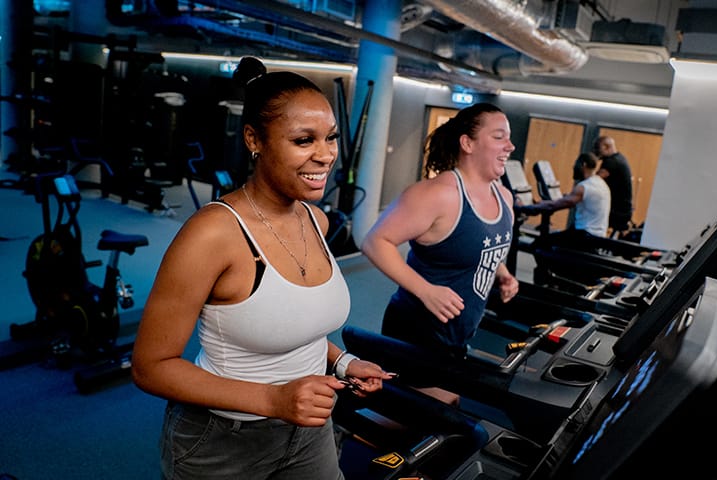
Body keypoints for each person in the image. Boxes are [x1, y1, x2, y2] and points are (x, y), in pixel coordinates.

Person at [131, 56, 392, 480]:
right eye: (304, 140)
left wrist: (342, 362)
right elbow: (150, 366)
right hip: (223, 441)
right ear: (254, 139)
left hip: (309, 428)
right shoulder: (212, 234)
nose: (325, 155)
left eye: (330, 138)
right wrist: (274, 401)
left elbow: (294, 321)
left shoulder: (316, 219)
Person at [361, 102, 520, 360]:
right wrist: (425, 290)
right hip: (419, 330)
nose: (510, 146)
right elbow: (375, 241)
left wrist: (502, 273)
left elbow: (483, 246)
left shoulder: (504, 197)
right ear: (467, 144)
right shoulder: (439, 195)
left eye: (509, 138)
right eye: (499, 137)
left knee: (453, 400)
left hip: (460, 332)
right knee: (441, 400)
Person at [535, 152, 611, 246]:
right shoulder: (599, 183)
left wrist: (534, 205)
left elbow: (554, 205)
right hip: (597, 235)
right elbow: (570, 199)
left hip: (586, 236)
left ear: (584, 164)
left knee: (540, 243)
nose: (573, 167)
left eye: (576, 164)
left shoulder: (584, 186)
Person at [593, 135, 633, 233]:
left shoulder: (611, 162)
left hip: (616, 213)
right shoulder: (620, 158)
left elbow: (593, 181)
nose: (596, 152)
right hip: (624, 212)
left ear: (606, 146)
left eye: (598, 148)